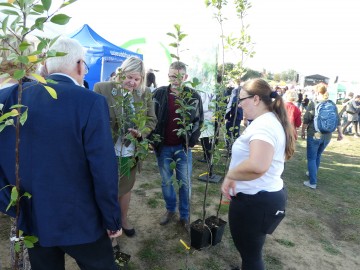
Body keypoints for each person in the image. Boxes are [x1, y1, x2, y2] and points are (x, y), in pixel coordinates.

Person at [0, 37, 122, 270]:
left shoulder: (10, 99)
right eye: (84, 67)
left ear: (45, 67)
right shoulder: (91, 102)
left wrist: (11, 204)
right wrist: (111, 218)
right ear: (79, 65)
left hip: (32, 215)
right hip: (82, 220)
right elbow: (103, 168)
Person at [221, 78, 295, 270]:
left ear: (255, 99)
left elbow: (257, 165)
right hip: (261, 198)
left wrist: (231, 175)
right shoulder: (267, 121)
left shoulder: (264, 126)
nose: (239, 105)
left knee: (251, 256)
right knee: (250, 253)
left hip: (255, 202)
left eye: (241, 99)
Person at [94, 57, 157, 237]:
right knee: (109, 189)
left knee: (126, 188)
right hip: (108, 150)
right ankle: (109, 225)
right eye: (129, 77)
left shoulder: (144, 93)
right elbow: (95, 117)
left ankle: (122, 219)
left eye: (137, 79)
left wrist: (141, 132)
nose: (132, 82)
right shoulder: (102, 88)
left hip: (130, 151)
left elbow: (152, 119)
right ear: (121, 73)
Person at [151, 61, 203, 230]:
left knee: (185, 183)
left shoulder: (193, 96)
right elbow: (151, 117)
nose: (174, 79)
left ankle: (185, 215)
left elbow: (198, 120)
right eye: (172, 76)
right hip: (163, 146)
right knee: (166, 182)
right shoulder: (158, 94)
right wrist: (152, 139)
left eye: (178, 76)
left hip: (183, 148)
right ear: (168, 75)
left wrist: (191, 142)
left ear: (185, 77)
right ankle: (170, 210)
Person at [301, 83, 343, 189]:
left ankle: (312, 182)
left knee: (311, 158)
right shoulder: (332, 104)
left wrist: (302, 131)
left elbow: (307, 119)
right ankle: (312, 173)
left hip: (314, 134)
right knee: (318, 155)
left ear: (317, 91)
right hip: (327, 135)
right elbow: (337, 120)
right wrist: (340, 133)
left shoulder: (314, 103)